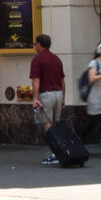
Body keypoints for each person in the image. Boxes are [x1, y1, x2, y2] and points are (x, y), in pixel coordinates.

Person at [29, 32, 65, 164]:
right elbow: (62, 80)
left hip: (47, 95)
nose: (34, 46)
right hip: (58, 94)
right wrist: (63, 98)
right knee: (55, 124)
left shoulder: (37, 59)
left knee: (48, 126)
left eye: (35, 44)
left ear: (39, 44)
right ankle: (59, 151)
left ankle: (55, 153)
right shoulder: (56, 59)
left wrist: (35, 98)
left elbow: (36, 81)